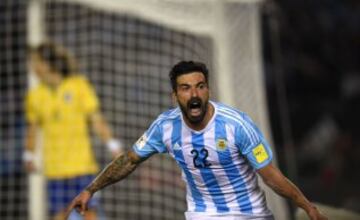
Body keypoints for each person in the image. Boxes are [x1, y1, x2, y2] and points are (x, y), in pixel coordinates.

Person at [66, 61, 328, 220]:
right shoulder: (165, 127)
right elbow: (128, 161)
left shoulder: (237, 125)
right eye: (185, 88)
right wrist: (91, 189)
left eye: (200, 86)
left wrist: (307, 206)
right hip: (204, 213)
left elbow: (271, 176)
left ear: (208, 90)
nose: (194, 94)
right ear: (175, 96)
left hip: (250, 213)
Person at [24, 42, 123, 220]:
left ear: (47, 64)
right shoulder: (35, 95)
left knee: (88, 213)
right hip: (55, 170)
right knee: (61, 215)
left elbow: (96, 119)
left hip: (82, 167)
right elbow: (32, 128)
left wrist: (113, 145)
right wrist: (29, 155)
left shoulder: (79, 86)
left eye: (34, 62)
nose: (31, 67)